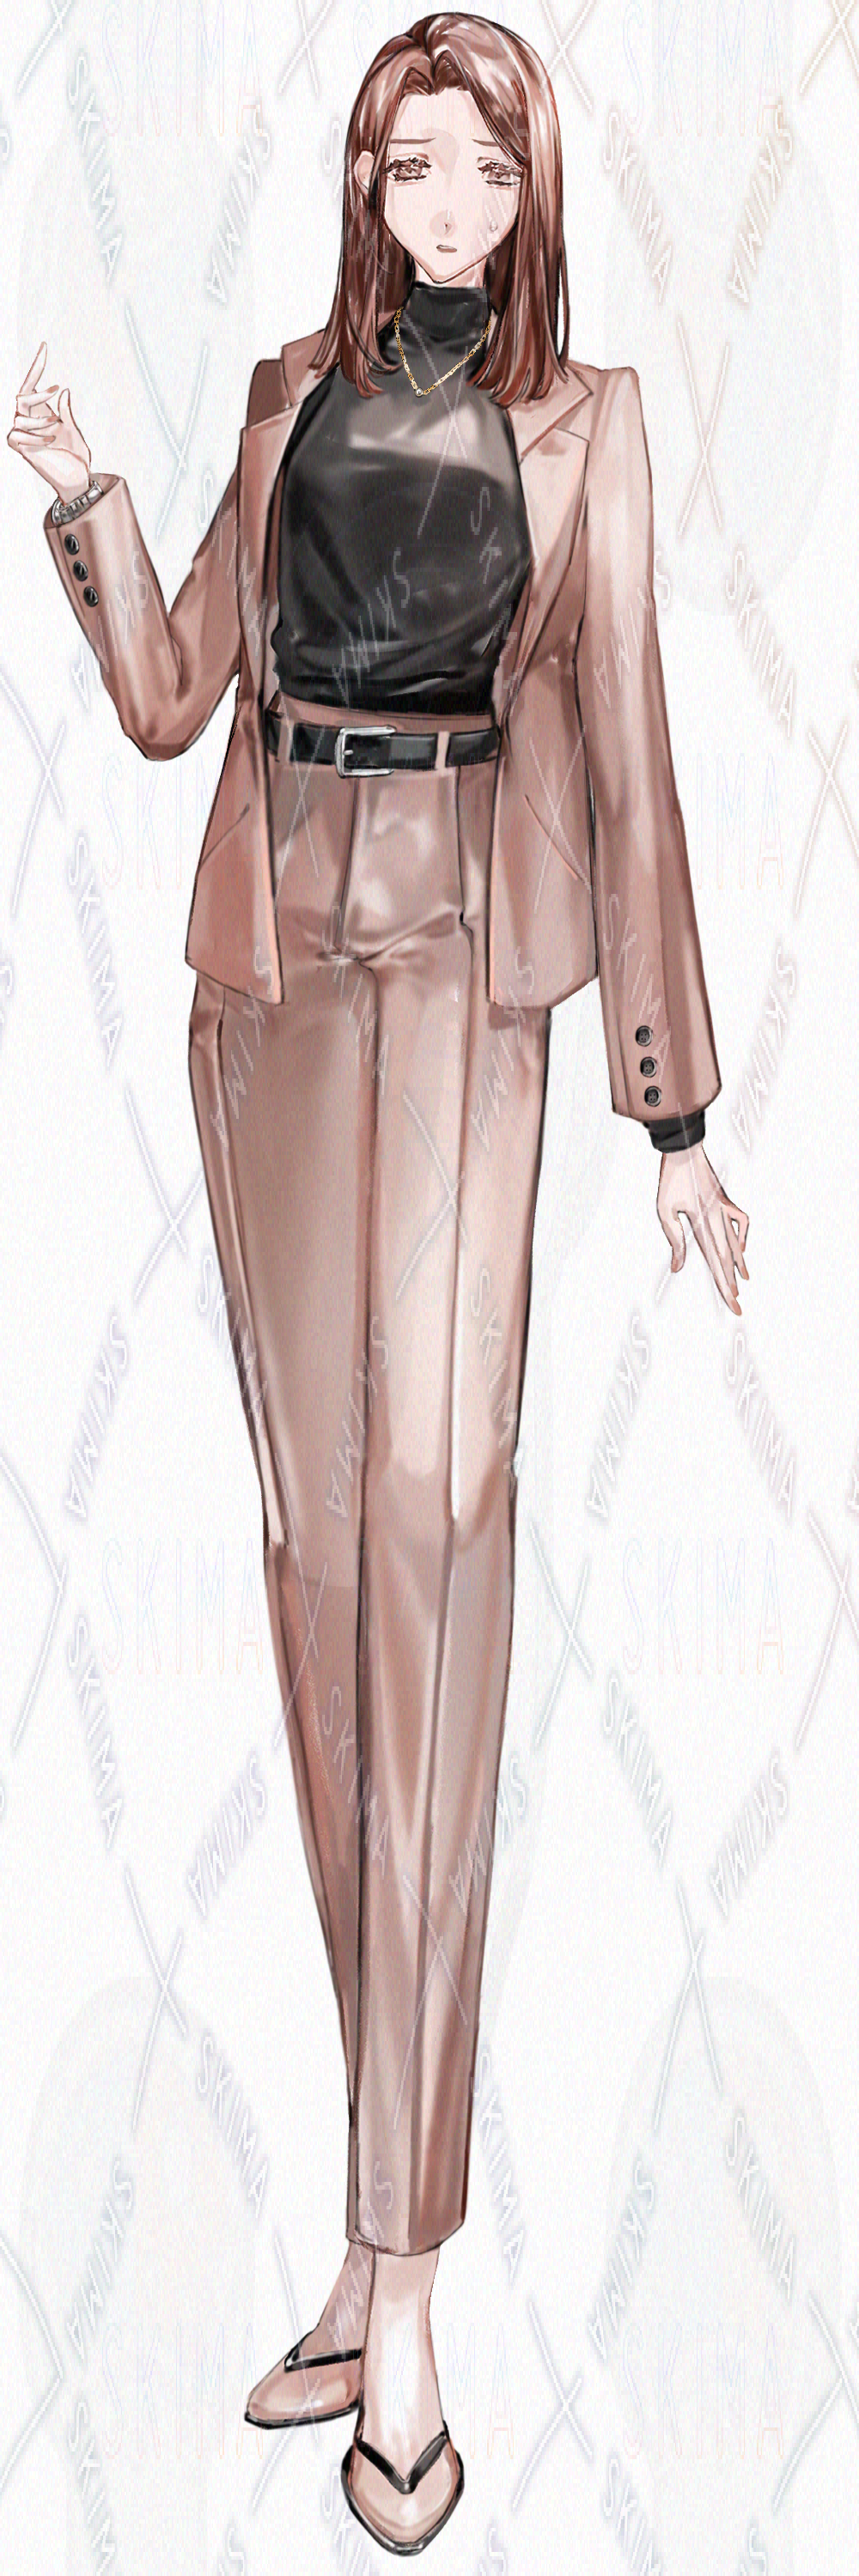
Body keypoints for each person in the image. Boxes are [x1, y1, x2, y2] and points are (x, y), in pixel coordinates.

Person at [9, 9, 748, 2553]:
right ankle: (373, 2222)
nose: (443, 204)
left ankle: (407, 2285)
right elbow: (163, 703)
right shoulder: (275, 407)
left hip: (466, 976)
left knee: (442, 1541)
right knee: (326, 1577)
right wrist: (95, 508)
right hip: (274, 989)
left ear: (530, 196)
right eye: (409, 162)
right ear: (364, 182)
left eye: (482, 169)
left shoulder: (591, 427)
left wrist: (678, 1111)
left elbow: (630, 759)